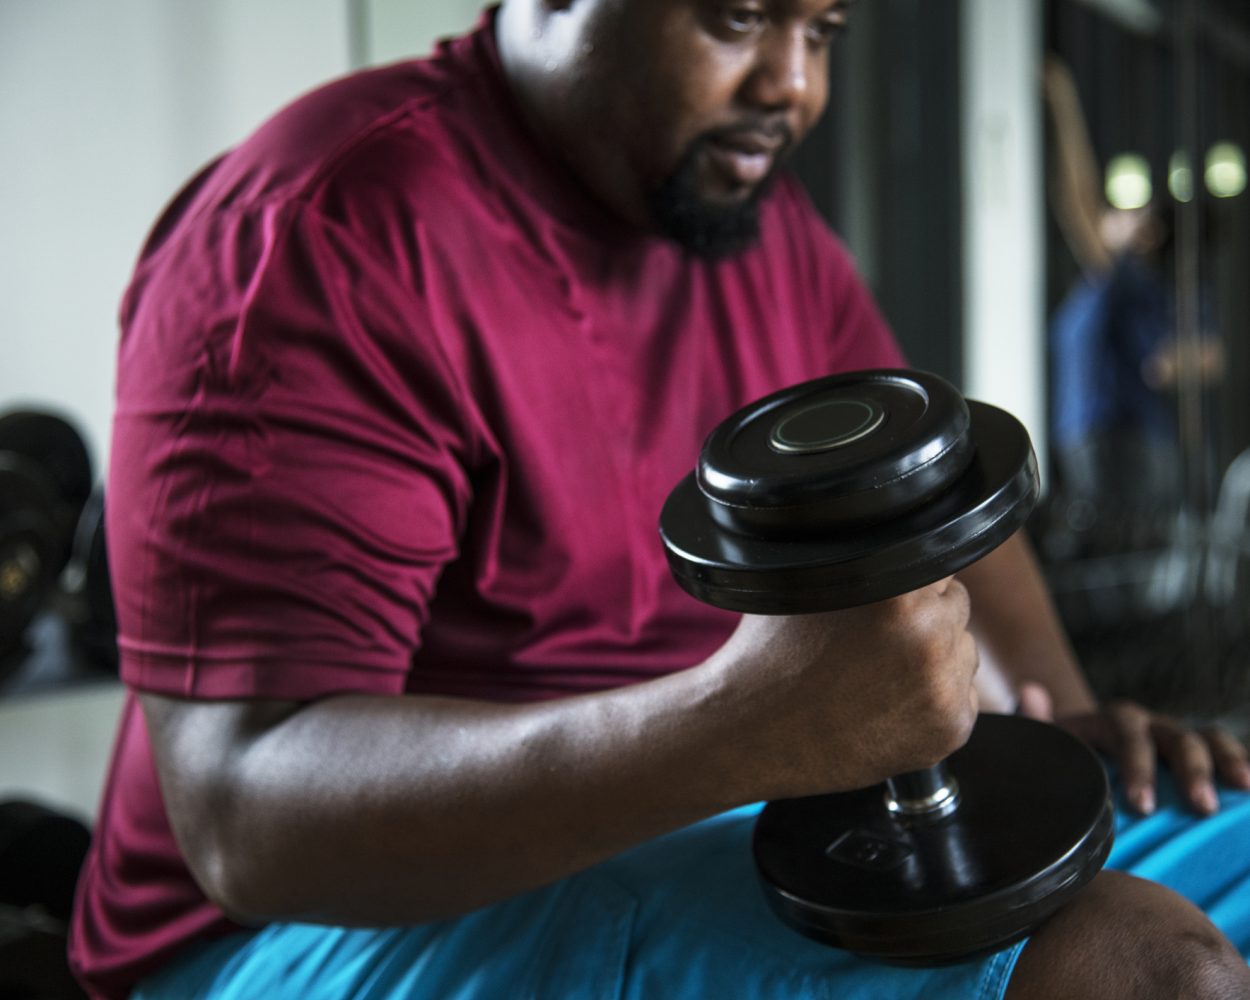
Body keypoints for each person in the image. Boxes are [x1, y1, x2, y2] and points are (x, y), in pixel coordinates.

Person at [70, 2, 1250, 998]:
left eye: (821, 28)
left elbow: (924, 512)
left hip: (706, 813)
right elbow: (244, 818)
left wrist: (1059, 746)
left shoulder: (752, 226)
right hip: (280, 940)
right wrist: (731, 730)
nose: (791, 84)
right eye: (737, 17)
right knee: (1139, 967)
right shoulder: (315, 236)